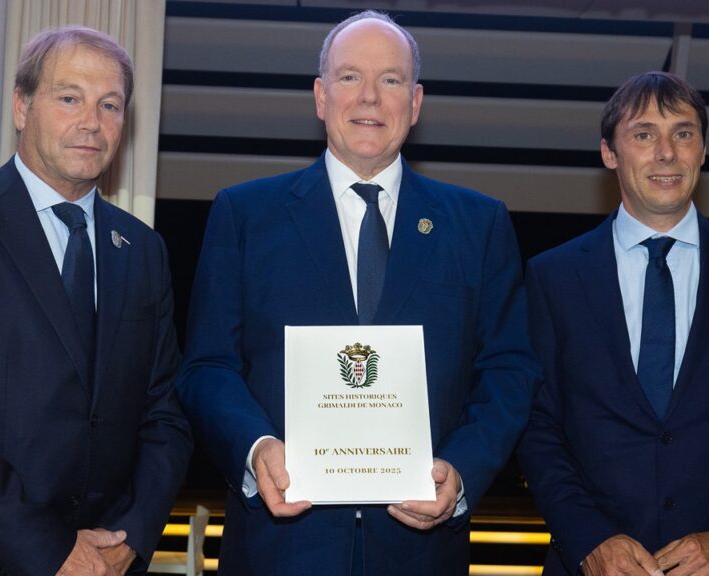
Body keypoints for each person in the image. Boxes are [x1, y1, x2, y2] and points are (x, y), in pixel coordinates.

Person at [175, 10, 539, 575]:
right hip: (281, 551)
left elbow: (510, 372)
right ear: (320, 96)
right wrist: (255, 449)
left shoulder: (479, 225)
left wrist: (462, 469)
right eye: (349, 77)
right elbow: (207, 367)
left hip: (421, 553)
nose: (369, 98)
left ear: (414, 104)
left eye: (390, 80)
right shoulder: (245, 215)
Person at [0, 26, 192, 576]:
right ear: (22, 106)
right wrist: (49, 548)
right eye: (69, 98)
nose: (91, 121)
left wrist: (132, 536)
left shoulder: (143, 251)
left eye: (110, 104)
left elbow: (166, 412)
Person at [516, 71, 709, 576]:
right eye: (643, 134)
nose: (666, 152)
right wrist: (589, 539)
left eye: (683, 133)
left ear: (703, 150)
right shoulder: (553, 276)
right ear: (610, 153)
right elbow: (534, 425)